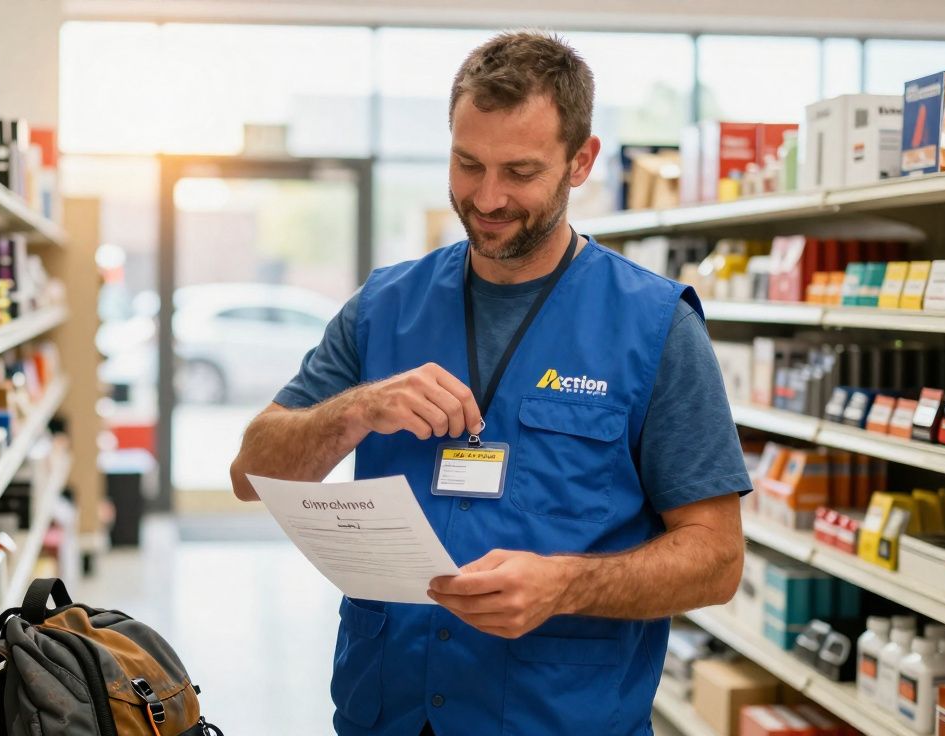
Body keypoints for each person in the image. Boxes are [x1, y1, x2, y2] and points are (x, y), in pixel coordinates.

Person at [229, 30, 749, 736]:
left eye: (521, 171)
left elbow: (716, 559)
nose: (488, 197)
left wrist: (567, 584)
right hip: (386, 716)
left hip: (558, 718)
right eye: (468, 163)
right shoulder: (386, 305)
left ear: (580, 161)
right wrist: (360, 409)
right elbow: (250, 471)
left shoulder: (654, 327)